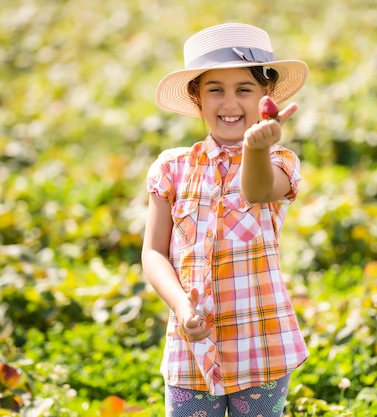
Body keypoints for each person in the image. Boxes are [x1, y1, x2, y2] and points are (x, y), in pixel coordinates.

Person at [141, 22, 309, 417]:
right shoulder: (172, 168)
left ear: (266, 95)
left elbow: (255, 191)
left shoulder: (279, 161)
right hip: (191, 345)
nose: (230, 102)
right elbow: (153, 252)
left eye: (244, 89)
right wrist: (182, 308)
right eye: (215, 89)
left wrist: (255, 149)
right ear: (197, 98)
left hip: (261, 346)